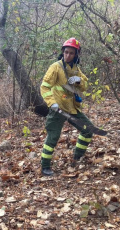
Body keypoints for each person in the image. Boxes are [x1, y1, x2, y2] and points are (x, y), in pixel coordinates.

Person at [40, 38, 93, 176]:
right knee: (53, 137)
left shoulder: (76, 69)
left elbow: (86, 86)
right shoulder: (55, 67)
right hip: (57, 109)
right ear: (62, 52)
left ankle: (77, 158)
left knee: (88, 130)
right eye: (66, 52)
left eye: (71, 53)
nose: (68, 55)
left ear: (76, 54)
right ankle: (45, 167)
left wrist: (79, 80)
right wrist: (52, 103)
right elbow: (44, 87)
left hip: (72, 107)